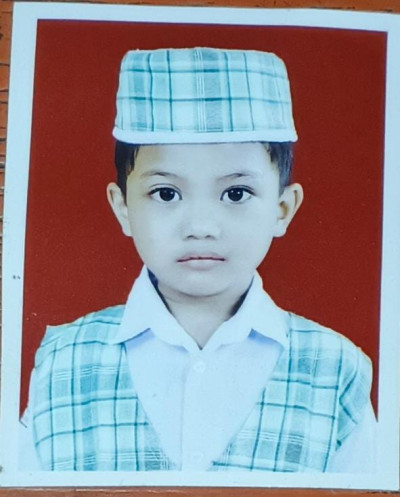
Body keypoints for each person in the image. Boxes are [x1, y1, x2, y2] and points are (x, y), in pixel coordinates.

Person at [19, 47, 376, 472]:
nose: (202, 226)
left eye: (236, 193)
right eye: (166, 193)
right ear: (123, 207)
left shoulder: (336, 371)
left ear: (283, 209)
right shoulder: (62, 362)